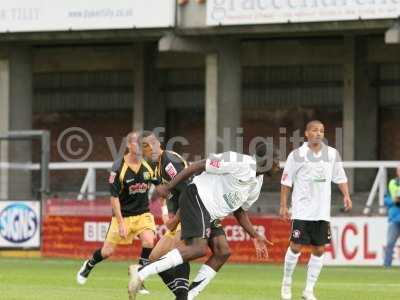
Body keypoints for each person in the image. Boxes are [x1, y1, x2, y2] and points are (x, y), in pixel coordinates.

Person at [127, 145, 275, 300]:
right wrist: (169, 186)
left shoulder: (257, 182)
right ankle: (142, 273)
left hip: (210, 214)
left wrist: (254, 235)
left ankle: (188, 296)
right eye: (276, 161)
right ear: (267, 161)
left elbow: (239, 210)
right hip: (197, 197)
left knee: (222, 251)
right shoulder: (238, 161)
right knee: (197, 248)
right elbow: (198, 165)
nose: (279, 166)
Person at [141, 133, 233, 299]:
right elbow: (164, 193)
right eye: (147, 146)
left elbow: (188, 189)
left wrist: (176, 219)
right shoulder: (156, 167)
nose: (150, 149)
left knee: (182, 251)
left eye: (152, 144)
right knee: (154, 258)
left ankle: (183, 296)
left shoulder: (169, 161)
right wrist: (165, 213)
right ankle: (182, 295)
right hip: (184, 211)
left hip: (191, 209)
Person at [76, 131, 156, 296]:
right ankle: (89, 265)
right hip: (123, 216)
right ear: (128, 145)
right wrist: (120, 223)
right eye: (136, 143)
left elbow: (160, 187)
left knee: (149, 241)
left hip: (143, 214)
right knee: (107, 252)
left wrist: (165, 207)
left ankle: (139, 279)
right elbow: (114, 198)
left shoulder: (148, 166)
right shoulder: (118, 168)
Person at [280, 120, 352, 300]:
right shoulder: (297, 155)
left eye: (321, 130)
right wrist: (283, 205)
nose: (318, 133)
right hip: (302, 210)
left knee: (319, 250)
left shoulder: (332, 154)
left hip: (322, 211)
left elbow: (340, 177)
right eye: (314, 130)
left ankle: (308, 290)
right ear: (306, 133)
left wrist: (346, 195)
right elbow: (286, 182)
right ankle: (286, 282)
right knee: (295, 246)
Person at [383, 165, 400, 267]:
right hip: (394, 218)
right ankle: (387, 264)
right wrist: (393, 201)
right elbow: (385, 200)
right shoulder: (392, 183)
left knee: (390, 243)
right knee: (390, 243)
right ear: (397, 172)